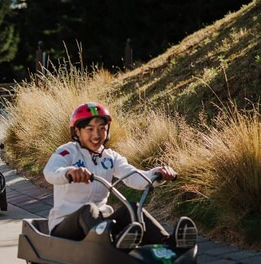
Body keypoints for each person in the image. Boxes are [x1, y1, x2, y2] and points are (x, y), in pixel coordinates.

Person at [43, 102, 198, 249]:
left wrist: (158, 174)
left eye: (102, 128)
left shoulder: (110, 157)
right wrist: (69, 172)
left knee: (132, 208)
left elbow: (135, 177)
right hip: (65, 226)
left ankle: (168, 243)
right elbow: (50, 172)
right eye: (90, 129)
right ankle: (109, 246)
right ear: (77, 131)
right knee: (88, 209)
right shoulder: (67, 152)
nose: (97, 135)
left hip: (100, 225)